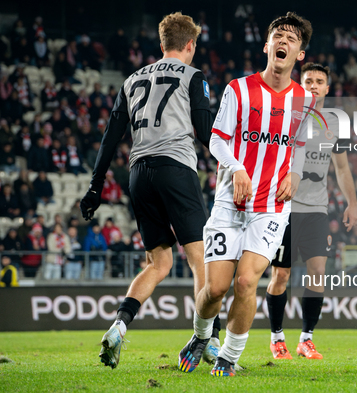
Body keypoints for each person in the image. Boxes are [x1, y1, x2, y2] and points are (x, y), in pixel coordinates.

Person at [182, 12, 314, 377]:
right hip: (230, 201)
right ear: (267, 45)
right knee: (214, 289)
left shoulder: (304, 99)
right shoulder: (239, 89)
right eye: (278, 36)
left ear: (299, 53)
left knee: (246, 281)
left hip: (272, 207)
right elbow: (217, 139)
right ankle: (199, 336)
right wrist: (237, 168)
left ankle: (228, 358)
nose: (283, 42)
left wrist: (296, 174)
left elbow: (300, 145)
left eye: (291, 38)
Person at [79, 12, 212, 369]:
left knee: (159, 261)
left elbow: (110, 138)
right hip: (176, 169)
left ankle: (119, 325)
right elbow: (204, 131)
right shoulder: (193, 76)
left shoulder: (133, 79)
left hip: (138, 173)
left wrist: (95, 186)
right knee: (200, 257)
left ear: (161, 44)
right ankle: (208, 340)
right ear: (190, 45)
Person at [265, 63, 357, 360]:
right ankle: (277, 338)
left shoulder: (335, 123)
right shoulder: (285, 116)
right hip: (285, 208)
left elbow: (342, 168)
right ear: (300, 84)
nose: (314, 85)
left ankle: (306, 339)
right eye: (308, 81)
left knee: (318, 272)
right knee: (281, 275)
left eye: (319, 81)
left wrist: (352, 203)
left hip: (317, 209)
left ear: (328, 88)